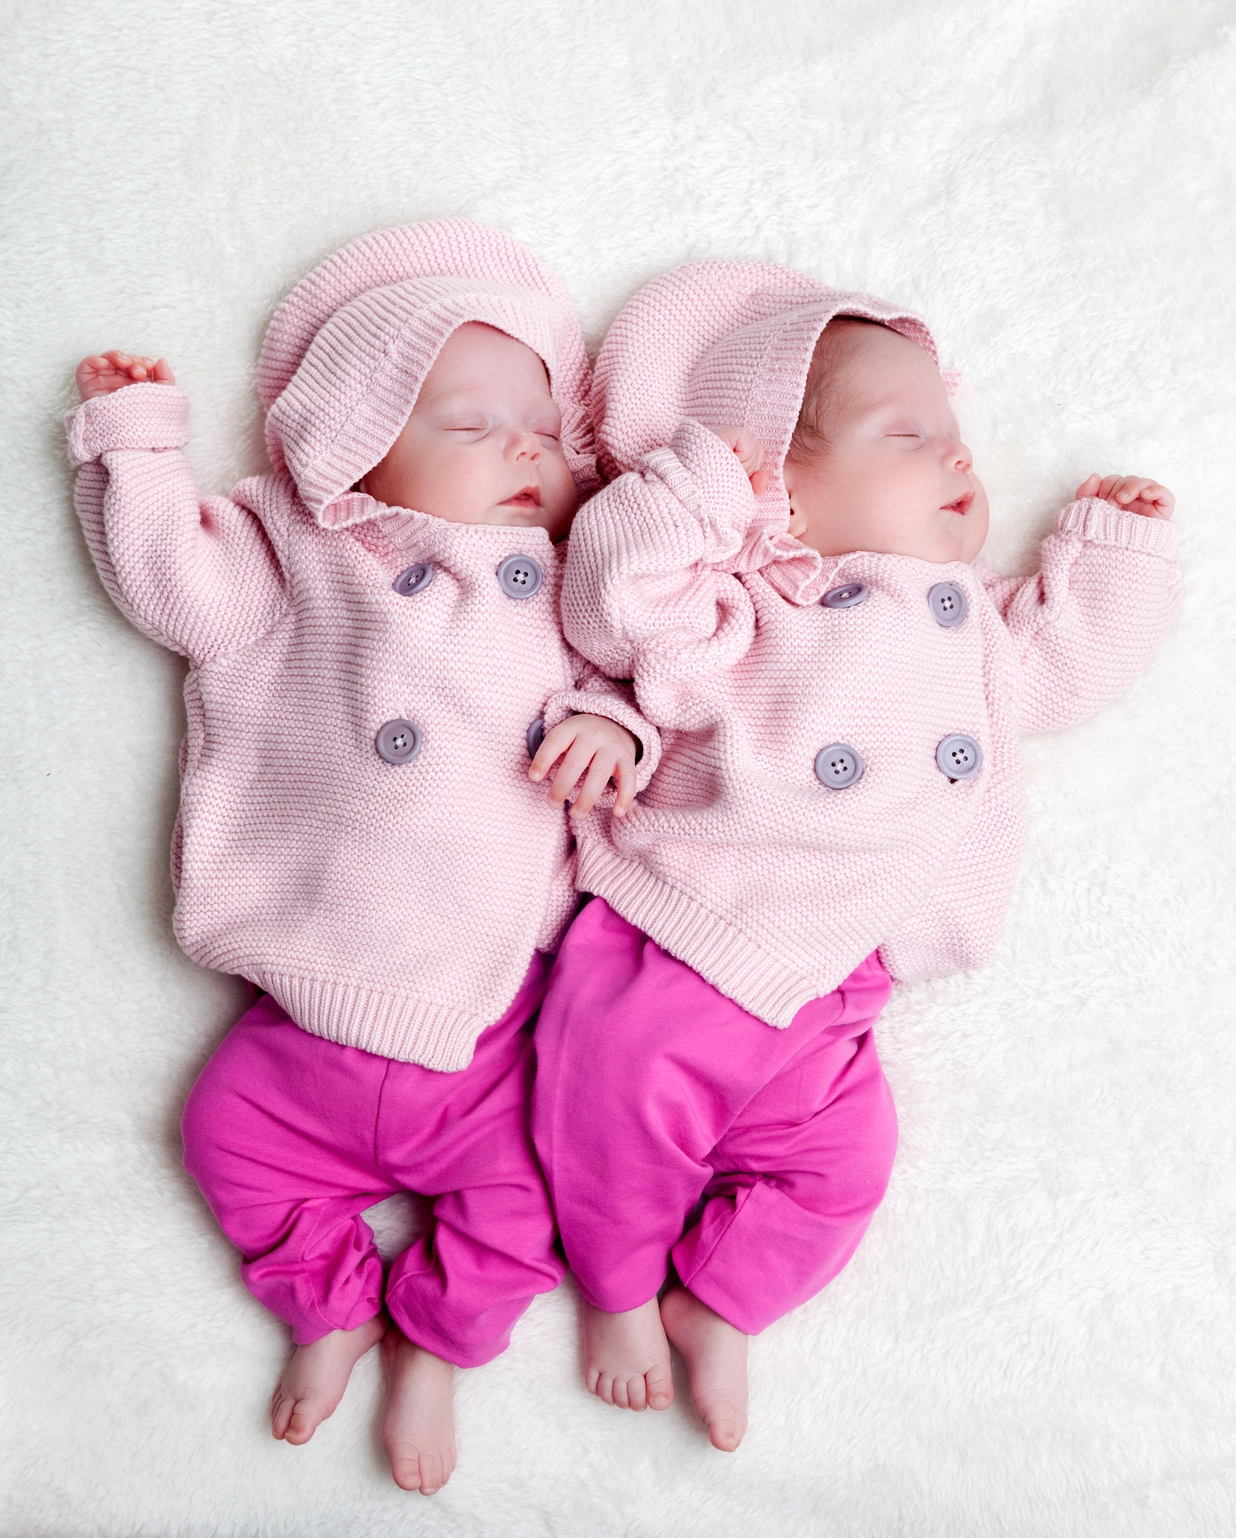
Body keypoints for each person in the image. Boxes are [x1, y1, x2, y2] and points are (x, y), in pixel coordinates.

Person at [534, 260, 1179, 1451]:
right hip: (687, 937)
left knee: (848, 1165)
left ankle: (722, 1300)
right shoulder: (751, 598)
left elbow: (1064, 671)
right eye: (912, 437)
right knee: (607, 1117)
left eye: (959, 440)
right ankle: (618, 1289)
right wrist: (697, 487)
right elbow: (616, 604)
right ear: (774, 480)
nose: (961, 463)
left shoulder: (975, 625)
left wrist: (1116, 561)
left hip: (839, 989)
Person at [67, 220, 657, 1495]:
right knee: (219, 1134)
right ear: (357, 442)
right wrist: (140, 450)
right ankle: (327, 1306)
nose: (526, 451)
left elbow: (637, 679)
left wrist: (614, 721)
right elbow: (177, 587)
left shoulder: (565, 588)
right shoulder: (300, 557)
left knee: (531, 1204)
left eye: (546, 434)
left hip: (491, 1025)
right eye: (472, 423)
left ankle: (437, 1343)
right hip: (301, 1018)